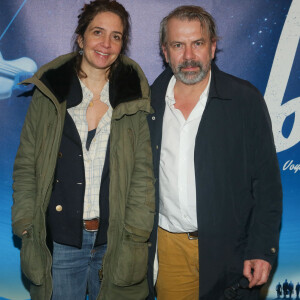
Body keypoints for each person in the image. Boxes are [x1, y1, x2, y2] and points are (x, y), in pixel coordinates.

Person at [11, 1, 155, 300]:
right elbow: (26, 164)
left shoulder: (133, 95)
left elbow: (142, 172)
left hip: (116, 241)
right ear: (81, 37)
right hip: (61, 242)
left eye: (116, 36)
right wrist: (25, 222)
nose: (106, 44)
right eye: (98, 32)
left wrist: (137, 231)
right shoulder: (51, 91)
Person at [147, 5, 282, 300]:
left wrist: (262, 248)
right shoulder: (147, 104)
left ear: (213, 47)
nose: (189, 56)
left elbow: (267, 185)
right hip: (171, 252)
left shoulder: (244, 100)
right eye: (178, 45)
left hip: (232, 252)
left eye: (198, 43)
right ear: (165, 51)